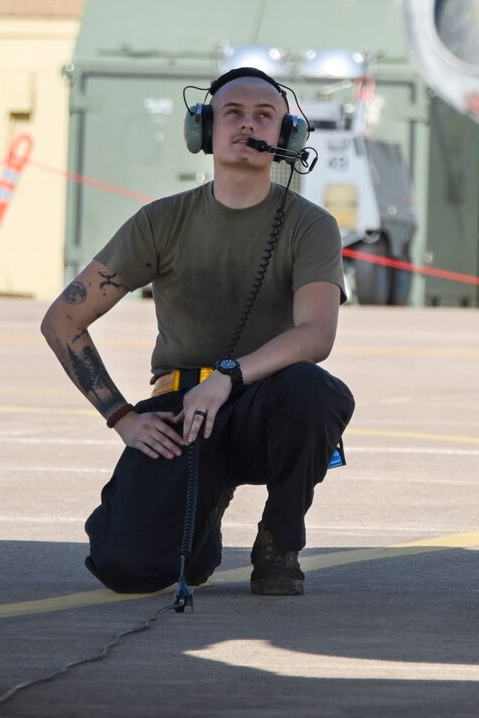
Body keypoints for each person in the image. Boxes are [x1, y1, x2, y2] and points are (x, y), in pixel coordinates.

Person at [41, 66, 355, 596]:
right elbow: (62, 320)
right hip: (180, 413)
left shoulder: (311, 225)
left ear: (288, 136)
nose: (246, 125)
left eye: (264, 115)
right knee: (126, 569)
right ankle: (200, 526)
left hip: (264, 408)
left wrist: (228, 377)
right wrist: (121, 417)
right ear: (203, 131)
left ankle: (280, 538)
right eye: (232, 113)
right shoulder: (161, 221)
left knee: (314, 392)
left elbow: (316, 334)